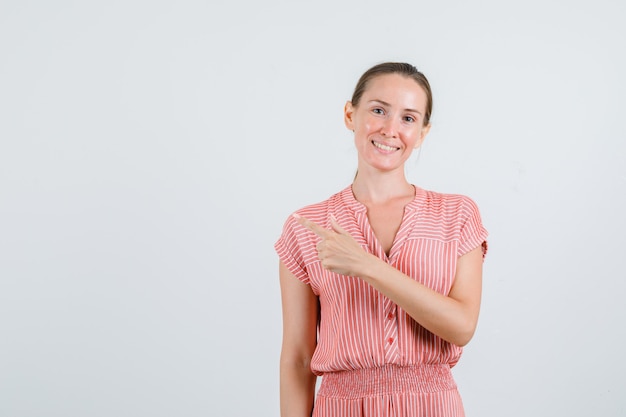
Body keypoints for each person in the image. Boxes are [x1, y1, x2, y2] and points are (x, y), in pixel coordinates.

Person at [275, 62, 488, 417]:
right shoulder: (306, 226)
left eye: (408, 118)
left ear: (422, 132)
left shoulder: (457, 215)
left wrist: (368, 267)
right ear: (350, 114)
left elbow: (462, 327)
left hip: (432, 406)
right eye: (378, 110)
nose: (391, 129)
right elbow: (297, 357)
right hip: (340, 407)